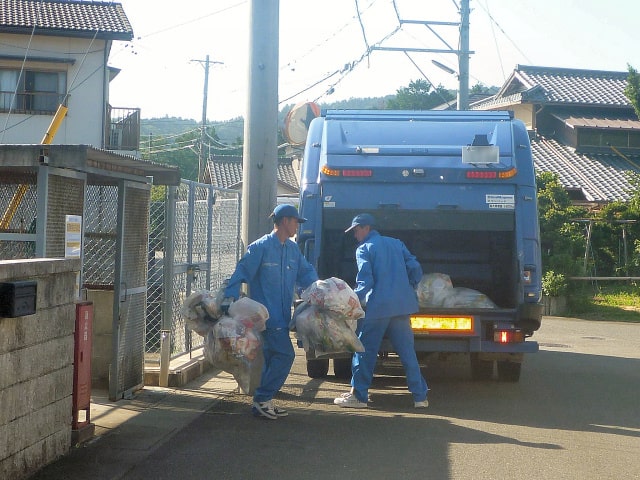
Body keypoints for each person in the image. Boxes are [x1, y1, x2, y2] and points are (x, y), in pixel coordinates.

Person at [223, 204, 318, 420]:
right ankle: (262, 398)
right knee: (286, 355)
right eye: (295, 222)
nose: (297, 226)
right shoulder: (260, 248)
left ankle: (261, 402)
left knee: (273, 357)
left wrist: (321, 289)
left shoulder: (293, 249)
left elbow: (307, 273)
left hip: (283, 317)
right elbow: (242, 271)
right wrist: (228, 298)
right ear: (285, 221)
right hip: (266, 318)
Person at [334, 213, 429, 409]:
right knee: (407, 353)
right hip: (402, 306)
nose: (355, 235)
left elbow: (365, 281)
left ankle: (359, 396)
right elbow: (415, 268)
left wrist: (350, 303)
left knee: (364, 351)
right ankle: (420, 397)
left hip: (379, 307)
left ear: (366, 228)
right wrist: (407, 286)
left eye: (356, 230)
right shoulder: (396, 243)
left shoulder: (364, 249)